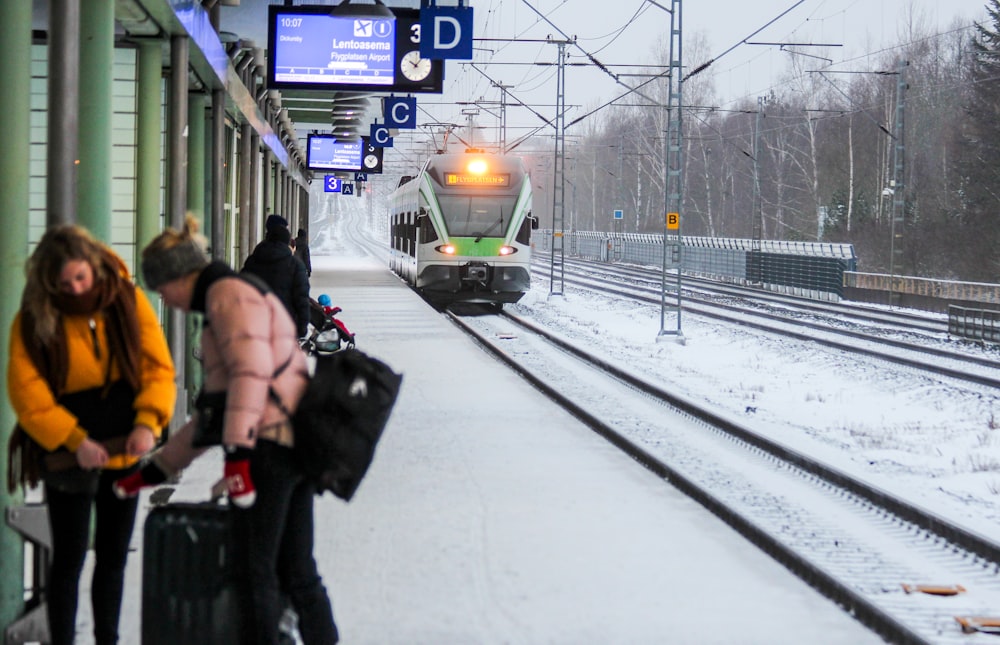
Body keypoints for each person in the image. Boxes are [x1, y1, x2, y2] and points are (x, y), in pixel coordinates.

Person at [113, 216, 339, 645]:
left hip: (268, 447)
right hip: (292, 440)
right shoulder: (232, 294)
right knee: (296, 569)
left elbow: (250, 376)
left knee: (254, 570)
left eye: (162, 288)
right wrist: (156, 470)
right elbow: (215, 410)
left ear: (181, 276)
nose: (165, 299)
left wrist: (236, 458)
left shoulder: (227, 297)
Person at [5, 225, 176, 645]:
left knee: (114, 556)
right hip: (67, 454)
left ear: (96, 267)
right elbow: (28, 393)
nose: (76, 289)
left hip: (126, 444)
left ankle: (107, 639)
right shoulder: (33, 320)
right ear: (48, 282)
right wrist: (72, 439)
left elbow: (158, 367)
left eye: (81, 278)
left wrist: (148, 423)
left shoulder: (127, 300)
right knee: (69, 556)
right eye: (65, 284)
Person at [242, 225, 310, 339]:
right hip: (284, 325)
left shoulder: (251, 261)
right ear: (287, 242)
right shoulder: (295, 265)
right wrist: (301, 328)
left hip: (255, 323)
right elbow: (302, 299)